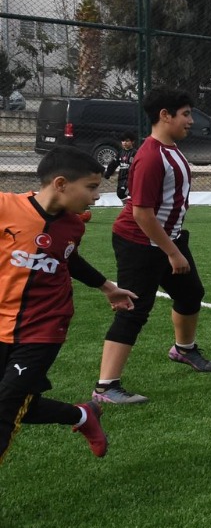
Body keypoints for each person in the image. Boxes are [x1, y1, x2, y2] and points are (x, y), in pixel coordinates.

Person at [0, 149, 138, 462]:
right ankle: (82, 416)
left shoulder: (73, 226)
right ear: (61, 184)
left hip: (43, 327)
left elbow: (67, 258)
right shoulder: (6, 207)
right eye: (91, 188)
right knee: (18, 400)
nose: (96, 197)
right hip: (2, 321)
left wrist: (107, 287)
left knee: (5, 410)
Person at [95, 89, 211, 406]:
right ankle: (105, 387)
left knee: (190, 294)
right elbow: (141, 214)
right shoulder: (151, 156)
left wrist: (174, 245)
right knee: (133, 308)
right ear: (165, 115)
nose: (191, 121)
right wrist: (172, 252)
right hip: (140, 242)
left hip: (167, 239)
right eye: (186, 114)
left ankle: (184, 349)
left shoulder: (171, 149)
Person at [104, 133, 136, 201]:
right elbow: (113, 164)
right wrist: (108, 173)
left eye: (127, 141)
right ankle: (128, 206)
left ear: (132, 142)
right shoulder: (120, 153)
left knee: (123, 193)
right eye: (123, 141)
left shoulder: (135, 153)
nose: (124, 143)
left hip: (131, 178)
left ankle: (131, 206)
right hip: (122, 178)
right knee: (120, 194)